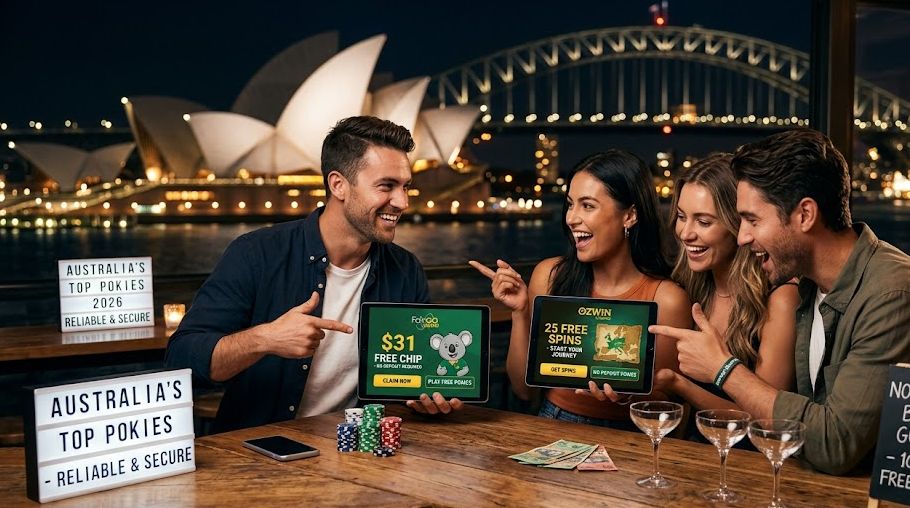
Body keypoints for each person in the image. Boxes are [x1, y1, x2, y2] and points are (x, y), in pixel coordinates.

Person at [165, 116, 460, 433]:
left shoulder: (406, 269)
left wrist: (429, 397)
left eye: (406, 187)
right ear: (338, 185)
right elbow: (182, 360)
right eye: (386, 186)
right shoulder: (256, 253)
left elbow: (412, 378)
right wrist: (266, 339)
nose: (402, 202)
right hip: (260, 449)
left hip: (360, 450)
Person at [650, 128, 910, 474]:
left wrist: (722, 368)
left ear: (805, 215)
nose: (742, 237)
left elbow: (835, 445)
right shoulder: (807, 285)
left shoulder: (892, 292)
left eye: (752, 220)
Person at [471, 150, 691, 428]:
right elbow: (523, 390)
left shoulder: (668, 299)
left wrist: (626, 397)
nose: (571, 218)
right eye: (570, 204)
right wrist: (519, 311)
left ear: (630, 215)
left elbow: (671, 405)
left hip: (632, 433)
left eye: (587, 206)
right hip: (555, 422)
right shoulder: (550, 276)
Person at [654, 153, 799, 411]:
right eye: (681, 216)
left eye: (703, 222)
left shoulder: (780, 298)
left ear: (739, 224)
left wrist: (680, 386)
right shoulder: (685, 287)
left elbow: (769, 419)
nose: (685, 233)